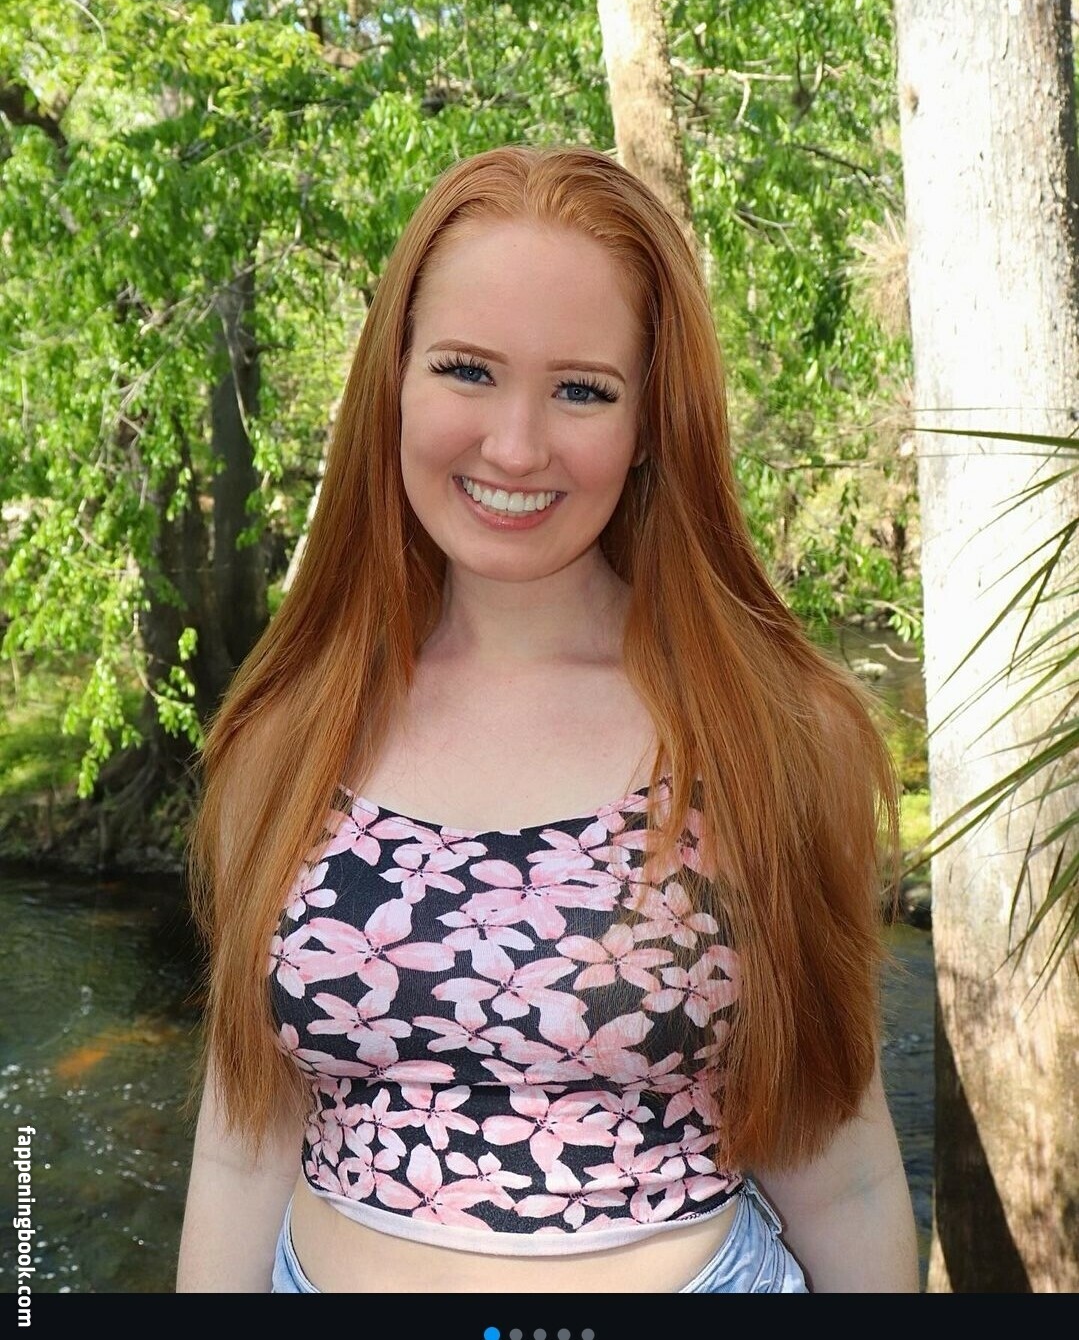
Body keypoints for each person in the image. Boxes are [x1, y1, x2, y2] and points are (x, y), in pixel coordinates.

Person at [175, 143, 920, 1294]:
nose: (515, 445)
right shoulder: (288, 731)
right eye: (467, 369)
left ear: (650, 420)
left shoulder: (770, 731)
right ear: (393, 379)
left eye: (581, 388)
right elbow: (243, 1141)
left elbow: (841, 1164)